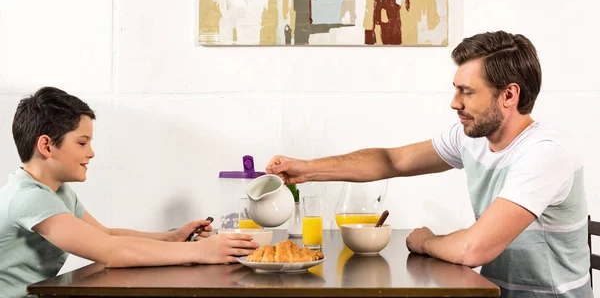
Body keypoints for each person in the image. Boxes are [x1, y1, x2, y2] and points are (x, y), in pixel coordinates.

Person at [267, 31, 591, 298]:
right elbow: (392, 161)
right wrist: (307, 169)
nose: (455, 103)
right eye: (456, 90)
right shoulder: (472, 137)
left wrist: (425, 242)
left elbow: (472, 249)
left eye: (467, 92)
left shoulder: (545, 153)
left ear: (509, 95)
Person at [0, 87, 258, 298]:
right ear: (46, 145)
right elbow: (111, 251)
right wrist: (202, 252)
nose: (91, 152)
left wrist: (171, 238)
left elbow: (105, 235)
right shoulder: (28, 197)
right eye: (82, 142)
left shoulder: (57, 193)